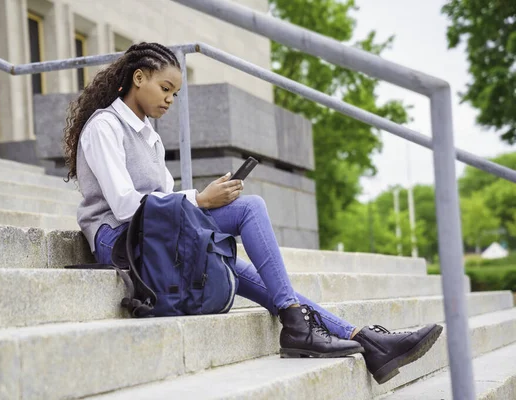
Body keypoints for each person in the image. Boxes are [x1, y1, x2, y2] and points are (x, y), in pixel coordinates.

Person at [63, 42, 442, 385]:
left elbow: (164, 201)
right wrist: (202, 200)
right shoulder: (104, 128)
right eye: (165, 89)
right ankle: (308, 330)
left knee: (259, 275)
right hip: (121, 241)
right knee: (249, 208)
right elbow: (127, 206)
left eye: (175, 94)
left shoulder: (150, 136)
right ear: (138, 77)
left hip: (158, 239)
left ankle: (365, 340)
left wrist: (204, 198)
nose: (170, 101)